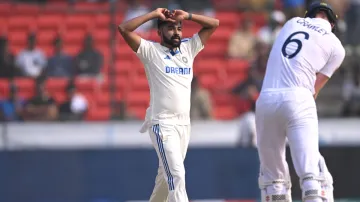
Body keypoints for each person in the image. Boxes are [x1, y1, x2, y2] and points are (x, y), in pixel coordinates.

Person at [118, 8, 219, 202]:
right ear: (159, 31)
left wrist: (188, 16)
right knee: (177, 176)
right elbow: (124, 29)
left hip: (184, 126)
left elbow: (214, 24)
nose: (177, 32)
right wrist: (154, 15)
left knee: (165, 182)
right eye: (171, 28)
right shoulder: (151, 51)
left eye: (179, 28)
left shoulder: (188, 48)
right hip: (162, 124)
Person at [255, 2, 345, 202]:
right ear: (331, 23)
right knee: (312, 175)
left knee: (273, 181)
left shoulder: (291, 23)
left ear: (310, 15)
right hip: (298, 98)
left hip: (266, 99)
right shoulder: (336, 46)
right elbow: (314, 88)